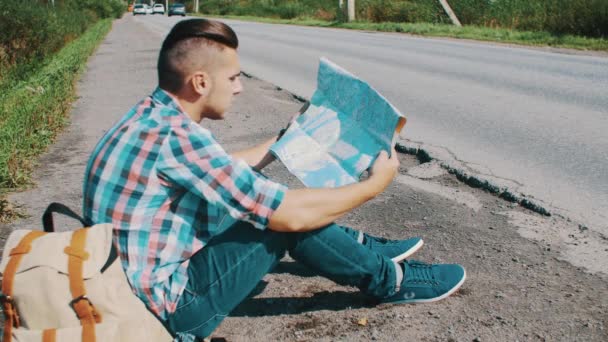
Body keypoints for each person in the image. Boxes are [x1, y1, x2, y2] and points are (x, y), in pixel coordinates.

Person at [82, 18, 465, 340]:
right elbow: (285, 214)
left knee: (260, 204)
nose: (239, 87)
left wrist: (286, 138)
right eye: (232, 78)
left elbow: (223, 170)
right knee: (278, 220)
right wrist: (373, 186)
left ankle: (361, 248)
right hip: (169, 310)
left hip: (125, 286)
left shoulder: (150, 117)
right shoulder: (179, 137)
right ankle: (392, 282)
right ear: (200, 82)